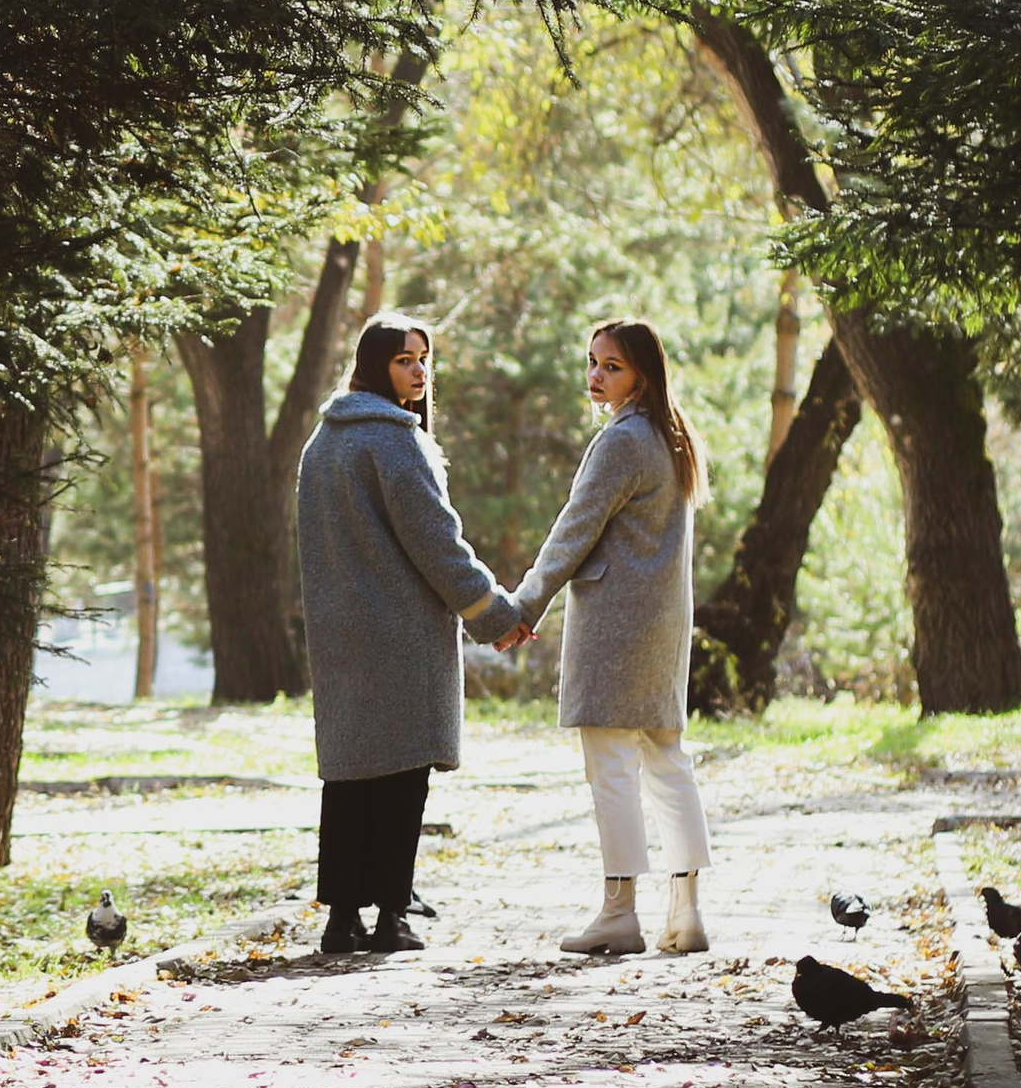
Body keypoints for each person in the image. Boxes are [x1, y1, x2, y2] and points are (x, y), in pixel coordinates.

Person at [296, 315, 527, 955]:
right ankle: (391, 918)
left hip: (341, 636)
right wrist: (496, 614)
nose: (419, 371)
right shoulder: (396, 442)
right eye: (404, 359)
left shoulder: (323, 443)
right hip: (400, 638)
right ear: (375, 365)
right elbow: (439, 546)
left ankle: (341, 920)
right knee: (401, 779)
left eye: (425, 358)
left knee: (348, 778)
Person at [509, 317, 713, 957]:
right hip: (662, 625)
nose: (595, 375)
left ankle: (619, 911)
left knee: (612, 766)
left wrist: (525, 605)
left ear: (642, 375)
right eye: (592, 362)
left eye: (612, 366)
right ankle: (687, 912)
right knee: (668, 762)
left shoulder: (622, 441)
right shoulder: (671, 437)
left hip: (616, 624)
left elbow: (573, 531)